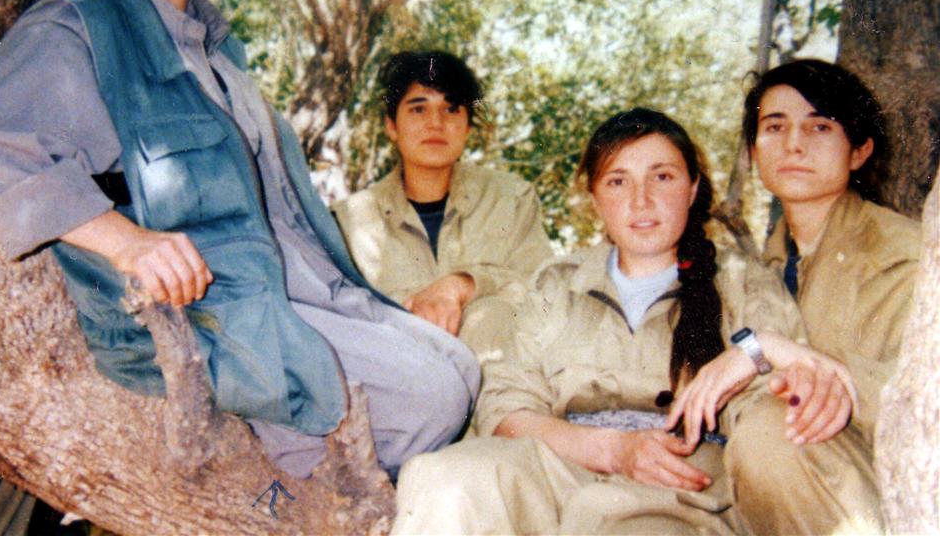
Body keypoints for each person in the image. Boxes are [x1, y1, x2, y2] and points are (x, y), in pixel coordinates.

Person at [0, 0, 478, 480]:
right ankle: (296, 489)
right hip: (205, 315)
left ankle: (323, 483)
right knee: (431, 397)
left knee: (461, 366)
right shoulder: (82, 28)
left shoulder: (218, 53)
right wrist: (126, 243)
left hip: (286, 286)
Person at [391, 108, 851, 535]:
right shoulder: (558, 282)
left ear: (692, 189)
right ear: (595, 197)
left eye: (662, 177)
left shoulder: (741, 281)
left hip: (678, 485)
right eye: (617, 182)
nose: (641, 200)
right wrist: (612, 450)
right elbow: (506, 406)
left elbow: (775, 407)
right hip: (560, 465)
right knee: (441, 478)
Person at [708, 59, 920, 534]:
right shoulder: (757, 268)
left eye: (820, 126)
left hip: (883, 496)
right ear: (753, 151)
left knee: (771, 431)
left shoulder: (903, 255)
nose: (794, 144)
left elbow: (921, 398)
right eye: (774, 126)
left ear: (859, 151)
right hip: (782, 498)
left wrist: (833, 381)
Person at [332, 51, 554, 358]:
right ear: (391, 126)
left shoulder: (512, 199)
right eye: (418, 108)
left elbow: (545, 292)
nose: (435, 123)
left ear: (468, 126)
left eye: (451, 109)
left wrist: (463, 285)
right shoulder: (349, 221)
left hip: (503, 378)